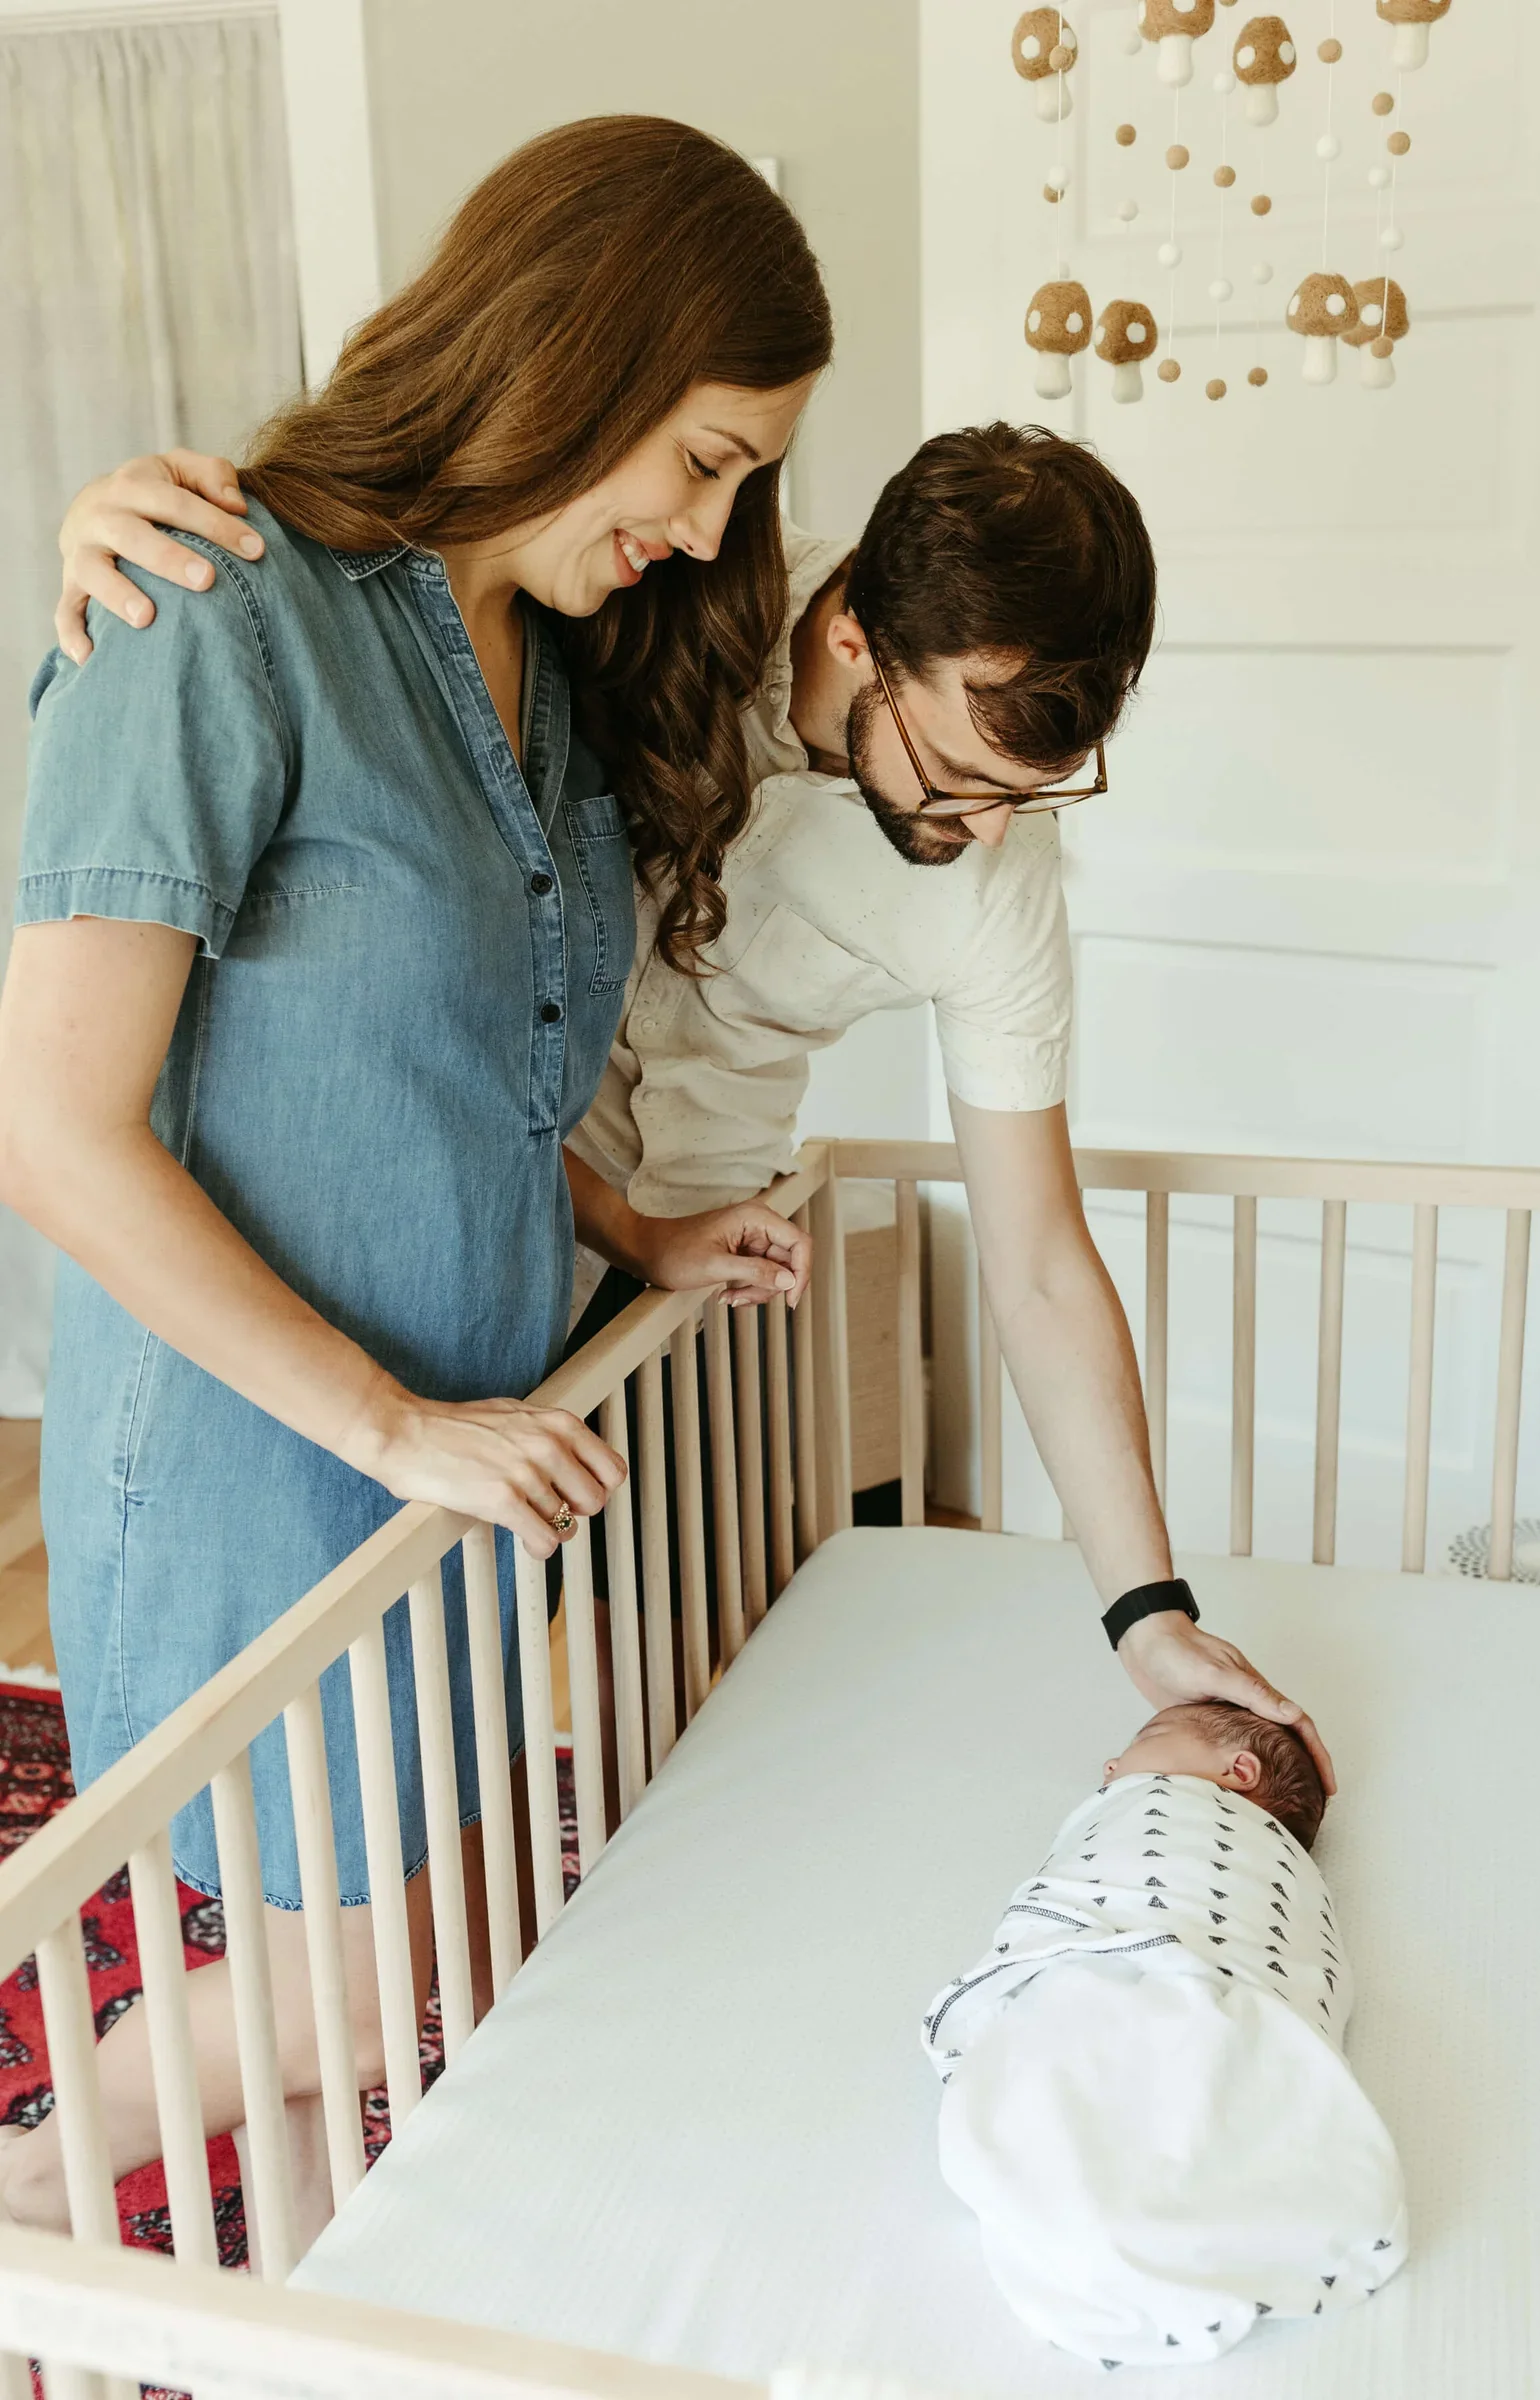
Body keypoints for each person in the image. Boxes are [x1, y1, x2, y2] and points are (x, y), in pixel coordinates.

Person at [0, 115, 830, 2240]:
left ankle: (271, 2314)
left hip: (453, 1455)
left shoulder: (545, 663)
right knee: (371, 1974)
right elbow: (48, 1129)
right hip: (259, 1452)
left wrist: (626, 1232)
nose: (712, 520)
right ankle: (28, 2209)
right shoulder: (215, 604)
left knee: (415, 1968)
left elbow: (465, 1078)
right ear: (584, 347)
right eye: (711, 456)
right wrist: (385, 1422)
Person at [57, 424, 1335, 1793]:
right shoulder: (658, 606)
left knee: (668, 1719)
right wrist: (130, 523)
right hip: (476, 1227)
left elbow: (1036, 1259)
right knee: (395, 1735)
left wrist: (1148, 1613)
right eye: (961, 777)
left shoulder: (998, 890)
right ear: (851, 637)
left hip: (685, 1273)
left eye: (1034, 793)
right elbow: (397, 571)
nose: (991, 831)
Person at [923, 1703, 1406, 2368]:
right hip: (1129, 1954)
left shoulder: (1235, 1837)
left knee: (1165, 2050)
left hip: (1218, 1960)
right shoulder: (1131, 1806)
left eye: (1146, 1740)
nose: (1111, 1768)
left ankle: (1131, 2211)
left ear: (1237, 1773)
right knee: (1116, 2056)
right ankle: (1161, 2212)